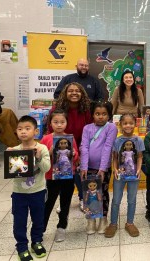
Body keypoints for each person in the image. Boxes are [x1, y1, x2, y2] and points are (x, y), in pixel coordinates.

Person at [9, 116, 51, 261]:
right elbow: (13, 174)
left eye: (27, 128)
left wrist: (38, 157)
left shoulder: (42, 148)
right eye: (20, 129)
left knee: (38, 219)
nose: (23, 132)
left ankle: (36, 242)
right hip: (19, 193)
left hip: (38, 192)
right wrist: (10, 158)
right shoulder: (15, 150)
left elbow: (46, 168)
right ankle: (21, 246)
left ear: (36, 131)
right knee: (19, 220)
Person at [48, 82, 93, 211]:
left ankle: (82, 198)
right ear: (65, 93)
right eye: (70, 91)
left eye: (77, 90)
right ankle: (63, 202)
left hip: (81, 145)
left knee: (80, 173)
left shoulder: (86, 108)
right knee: (64, 173)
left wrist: (83, 149)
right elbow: (51, 128)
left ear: (82, 93)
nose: (74, 93)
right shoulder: (57, 108)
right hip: (62, 147)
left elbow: (90, 128)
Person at [41, 109, 79, 243]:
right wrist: (49, 152)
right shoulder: (46, 139)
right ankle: (41, 229)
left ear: (66, 123)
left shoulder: (70, 138)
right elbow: (40, 159)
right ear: (50, 122)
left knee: (65, 202)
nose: (59, 125)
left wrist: (74, 154)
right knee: (49, 202)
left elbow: (76, 157)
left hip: (68, 176)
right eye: (55, 122)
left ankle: (61, 227)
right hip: (52, 177)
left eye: (62, 122)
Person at [80, 101, 117, 234]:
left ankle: (103, 218)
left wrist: (102, 168)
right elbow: (84, 147)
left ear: (109, 115)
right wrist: (84, 166)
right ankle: (91, 220)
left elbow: (108, 147)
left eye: (104, 114)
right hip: (88, 167)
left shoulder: (111, 127)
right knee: (89, 194)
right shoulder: (87, 128)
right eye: (97, 114)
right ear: (92, 115)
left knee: (103, 193)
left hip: (103, 168)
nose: (100, 117)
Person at [104, 114, 144, 238]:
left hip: (133, 175)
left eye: (131, 123)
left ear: (135, 124)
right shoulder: (117, 140)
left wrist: (138, 169)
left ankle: (130, 223)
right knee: (116, 200)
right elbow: (115, 157)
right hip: (120, 175)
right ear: (120, 125)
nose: (128, 126)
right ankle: (113, 223)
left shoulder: (138, 140)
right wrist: (115, 169)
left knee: (132, 200)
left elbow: (140, 157)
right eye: (125, 123)